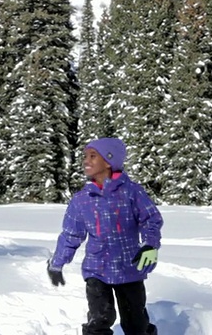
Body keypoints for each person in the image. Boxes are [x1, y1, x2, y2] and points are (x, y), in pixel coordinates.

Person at [47, 137, 163, 335]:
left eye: (93, 156)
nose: (86, 161)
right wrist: (57, 263)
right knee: (100, 319)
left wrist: (150, 245)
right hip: (97, 268)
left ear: (109, 161)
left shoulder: (132, 192)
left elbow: (151, 219)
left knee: (136, 323)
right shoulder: (82, 199)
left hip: (130, 267)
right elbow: (71, 234)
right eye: (85, 156)